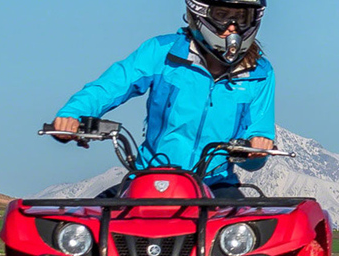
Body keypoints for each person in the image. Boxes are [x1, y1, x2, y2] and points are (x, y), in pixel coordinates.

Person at [52, 0, 274, 198]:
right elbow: (110, 86)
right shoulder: (162, 52)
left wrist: (257, 149)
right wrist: (72, 115)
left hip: (216, 185)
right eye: (222, 15)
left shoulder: (260, 73)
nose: (232, 27)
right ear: (200, 12)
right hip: (150, 179)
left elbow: (259, 137)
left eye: (241, 17)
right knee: (89, 227)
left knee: (254, 236)